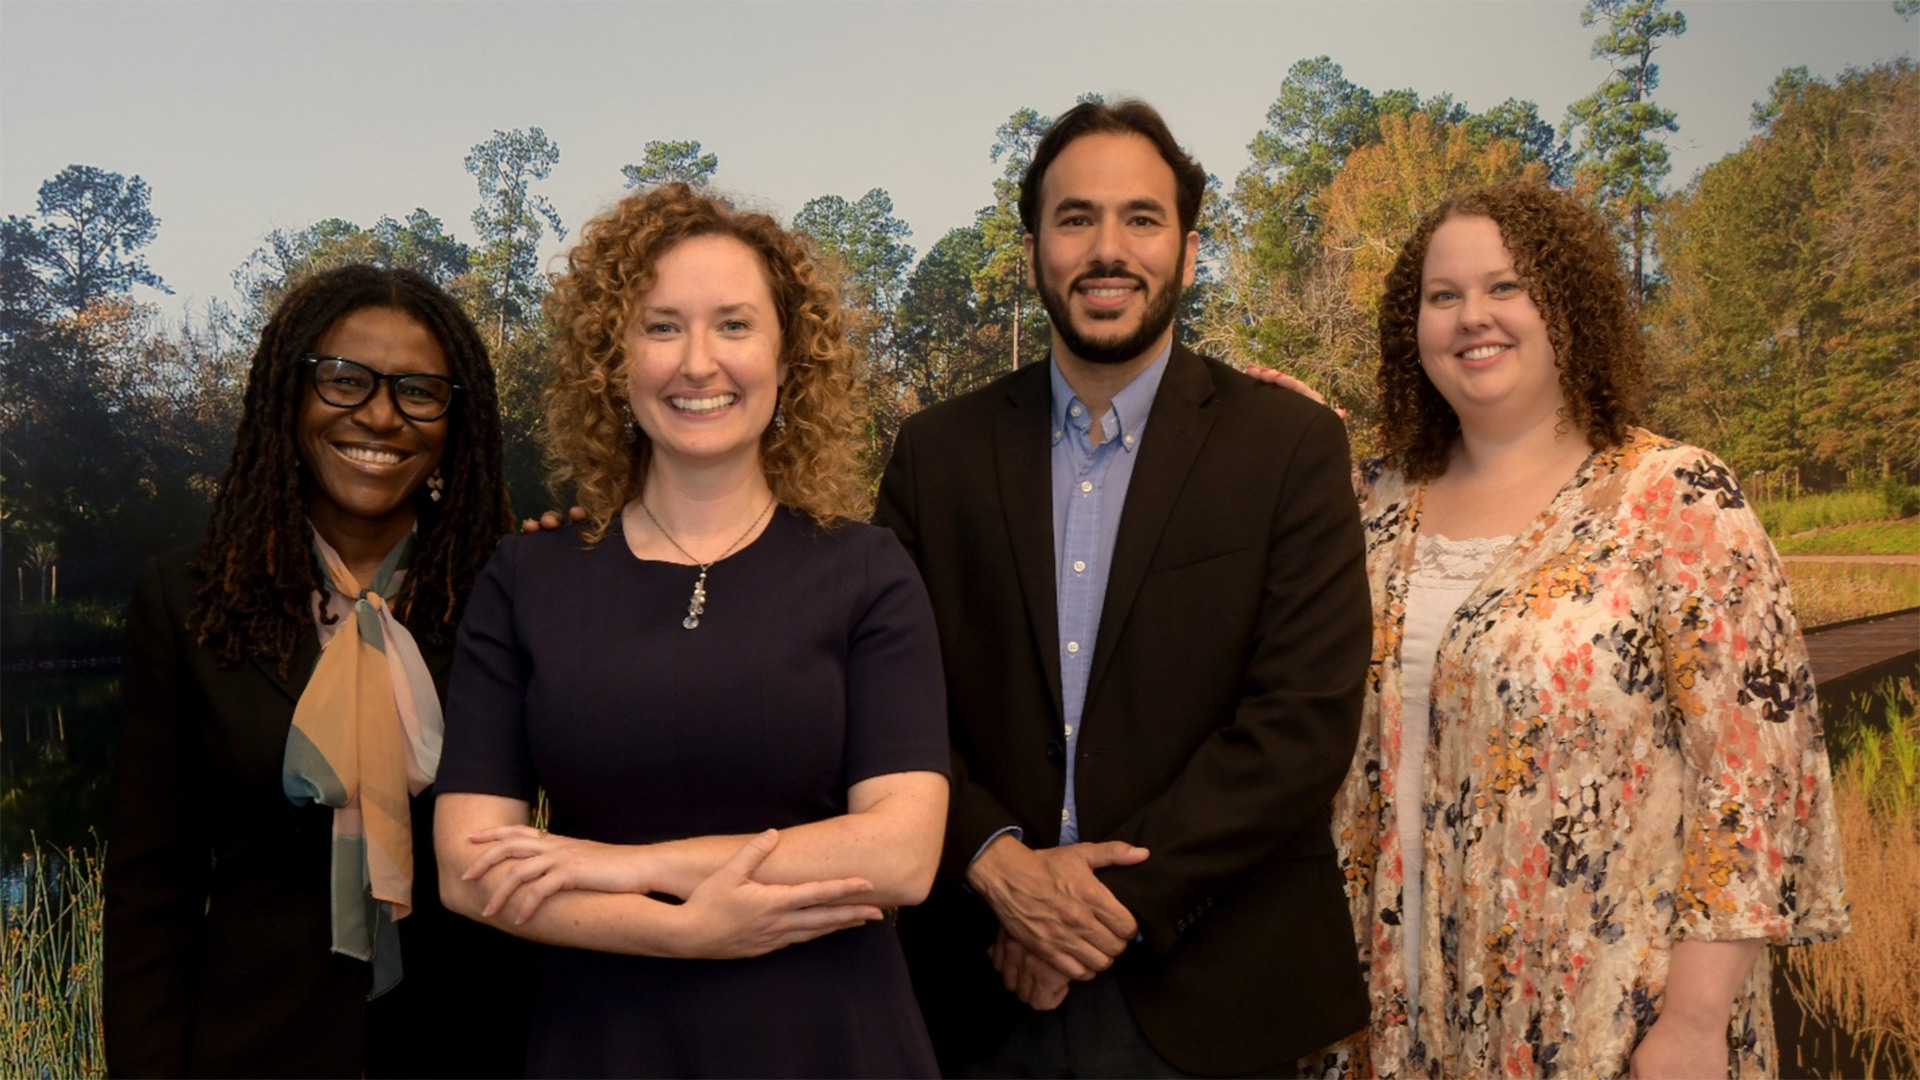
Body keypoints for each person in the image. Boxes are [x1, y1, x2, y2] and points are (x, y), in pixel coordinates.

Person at [1275, 182, 1848, 1079]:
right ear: (1410, 325)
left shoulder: (1672, 498)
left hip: (1608, 1023)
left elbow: (1755, 782)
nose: (1474, 317)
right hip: (1383, 1013)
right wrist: (1280, 446)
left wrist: (1695, 1023)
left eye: (1507, 287)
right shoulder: (1367, 504)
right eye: (1442, 296)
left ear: (1567, 306)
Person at [876, 98, 1372, 1078]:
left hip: (1212, 984)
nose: (1109, 249)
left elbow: (1300, 723)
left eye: (1141, 219)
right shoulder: (937, 455)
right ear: (1033, 253)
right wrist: (1002, 869)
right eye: (1075, 219)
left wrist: (1089, 909)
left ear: (1189, 251)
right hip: (970, 991)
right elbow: (892, 700)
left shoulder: (1289, 449)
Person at [433, 183, 950, 1078]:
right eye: (662, 325)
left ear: (789, 359)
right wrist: (685, 932)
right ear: (613, 358)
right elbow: (468, 870)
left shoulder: (868, 572)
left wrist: (614, 868)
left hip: (833, 1043)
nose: (698, 362)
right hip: (603, 1043)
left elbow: (901, 855)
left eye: (735, 326)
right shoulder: (528, 577)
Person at [104, 265, 531, 1077]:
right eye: (344, 380)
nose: (380, 415)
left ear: (455, 421)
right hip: (250, 1048)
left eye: (419, 391)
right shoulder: (188, 600)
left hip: (474, 1046)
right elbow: (148, 895)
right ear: (290, 399)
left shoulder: (514, 596)